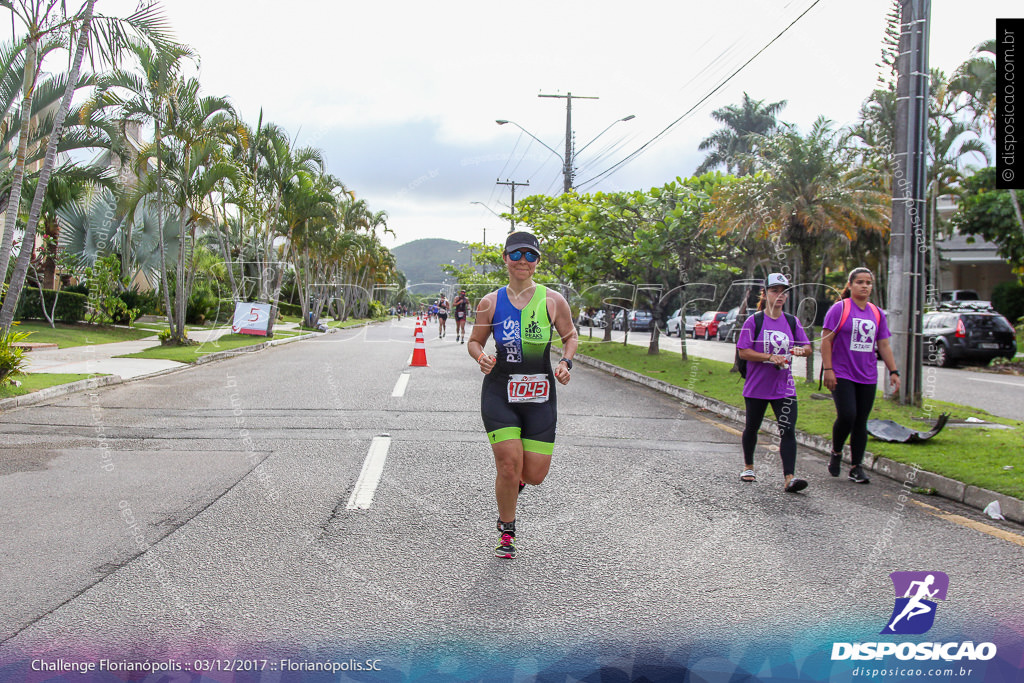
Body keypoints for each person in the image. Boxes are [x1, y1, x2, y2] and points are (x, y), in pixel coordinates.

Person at [467, 231, 578, 559]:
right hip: (500, 393)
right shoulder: (490, 302)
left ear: (538, 262)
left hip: (540, 395)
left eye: (530, 256)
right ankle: (507, 530)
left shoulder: (553, 301)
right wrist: (481, 357)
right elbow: (474, 342)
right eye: (516, 255)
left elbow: (571, 336)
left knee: (534, 474)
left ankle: (514, 485)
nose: (523, 262)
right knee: (507, 465)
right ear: (505, 258)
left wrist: (566, 362)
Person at [820, 267, 901, 484]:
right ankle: (836, 452)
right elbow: (826, 341)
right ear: (850, 285)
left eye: (868, 282)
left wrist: (893, 371)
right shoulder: (840, 309)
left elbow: (883, 344)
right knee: (847, 415)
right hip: (842, 373)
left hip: (867, 375)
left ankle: (857, 467)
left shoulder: (876, 313)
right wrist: (828, 369)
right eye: (860, 282)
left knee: (860, 422)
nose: (865, 286)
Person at [735, 273, 813, 492]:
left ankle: (790, 478)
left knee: (788, 430)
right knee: (752, 427)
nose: (779, 296)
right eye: (774, 291)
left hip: (784, 388)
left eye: (783, 292)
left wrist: (800, 350)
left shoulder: (791, 321)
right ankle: (748, 466)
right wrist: (769, 357)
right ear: (765, 293)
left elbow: (807, 348)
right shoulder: (755, 321)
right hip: (758, 387)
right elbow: (744, 352)